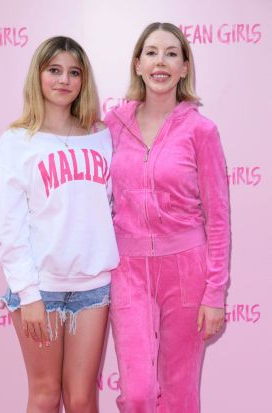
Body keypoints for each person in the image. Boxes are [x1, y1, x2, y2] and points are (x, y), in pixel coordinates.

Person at [104, 22, 230, 413]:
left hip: (186, 270)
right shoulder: (111, 126)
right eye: (152, 52)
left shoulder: (201, 131)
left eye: (172, 53)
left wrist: (214, 294)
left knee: (179, 393)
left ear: (184, 67)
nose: (161, 61)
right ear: (138, 65)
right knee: (139, 393)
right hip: (128, 269)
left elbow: (220, 219)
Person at [0, 36, 119, 413]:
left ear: (83, 81)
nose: (64, 80)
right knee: (45, 394)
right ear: (39, 76)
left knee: (82, 399)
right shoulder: (16, 141)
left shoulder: (102, 138)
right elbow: (8, 225)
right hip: (40, 288)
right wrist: (27, 293)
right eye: (54, 70)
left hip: (93, 287)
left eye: (73, 72)